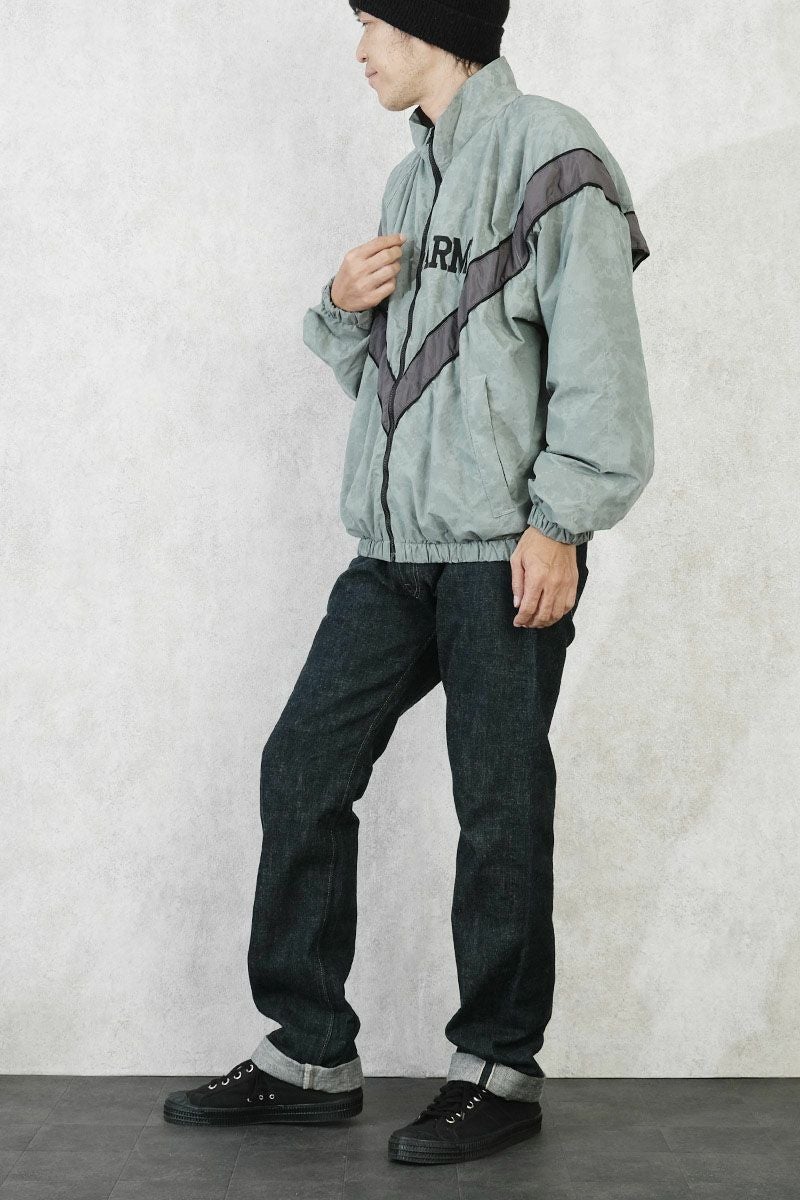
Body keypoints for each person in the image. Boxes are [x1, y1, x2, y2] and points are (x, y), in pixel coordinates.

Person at [164, 0, 655, 1166]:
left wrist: (559, 525)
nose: (360, 50)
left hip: (501, 555)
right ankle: (309, 1055)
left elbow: (598, 364)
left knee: (496, 808)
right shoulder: (409, 180)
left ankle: (496, 1068)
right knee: (302, 765)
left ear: (432, 23)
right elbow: (397, 384)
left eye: (372, 24)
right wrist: (339, 308)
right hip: (391, 557)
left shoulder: (551, 151)